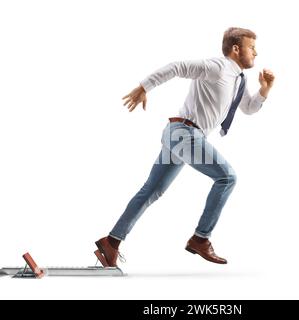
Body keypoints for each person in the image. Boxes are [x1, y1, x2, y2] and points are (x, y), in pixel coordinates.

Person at [94, 27, 275, 267]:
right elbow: (177, 67)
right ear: (236, 48)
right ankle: (201, 239)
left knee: (152, 190)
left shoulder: (238, 80)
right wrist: (144, 87)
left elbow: (249, 108)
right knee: (227, 177)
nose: (256, 52)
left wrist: (265, 89)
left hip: (179, 136)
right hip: (185, 134)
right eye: (251, 47)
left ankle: (111, 243)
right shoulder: (217, 67)